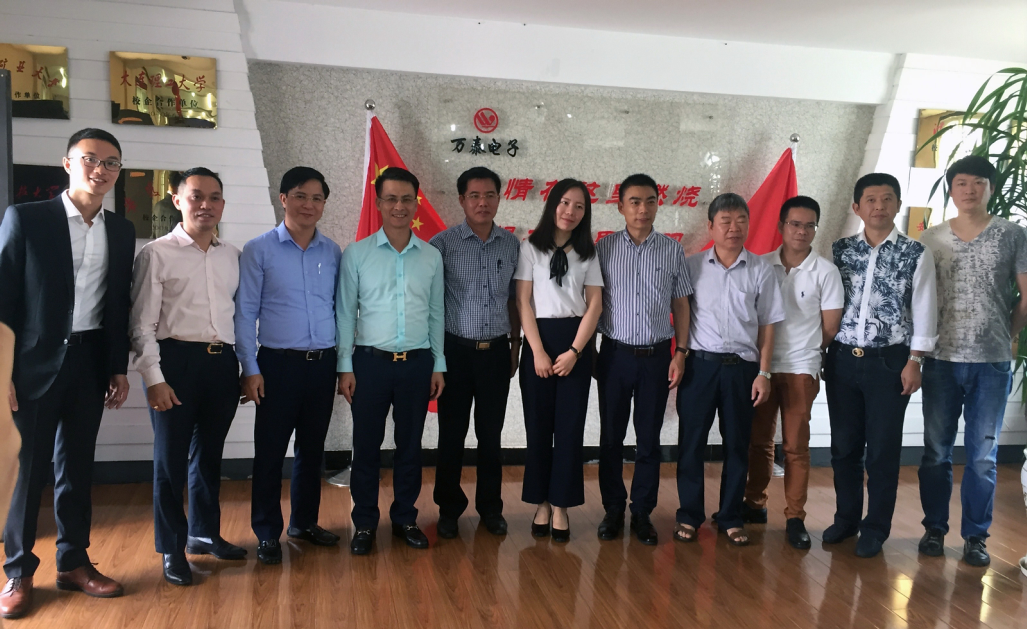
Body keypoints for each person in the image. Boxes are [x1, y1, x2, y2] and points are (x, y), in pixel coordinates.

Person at [0, 128, 134, 619]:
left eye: (111, 163)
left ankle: (74, 562)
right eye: (91, 159)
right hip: (30, 365)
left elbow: (117, 304)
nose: (101, 170)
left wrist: (117, 367)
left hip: (90, 362)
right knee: (25, 472)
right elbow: (4, 297)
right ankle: (18, 571)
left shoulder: (121, 230)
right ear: (68, 163)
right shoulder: (27, 218)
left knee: (77, 468)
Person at [130, 167, 246, 586]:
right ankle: (171, 548)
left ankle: (204, 532)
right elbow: (141, 325)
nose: (205, 205)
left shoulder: (232, 255)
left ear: (222, 205)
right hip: (174, 364)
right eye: (196, 196)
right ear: (177, 201)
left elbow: (240, 316)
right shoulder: (156, 254)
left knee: (209, 458)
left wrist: (244, 367)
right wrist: (154, 378)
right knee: (170, 463)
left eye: (214, 198)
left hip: (221, 365)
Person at [917, 156, 1027, 567]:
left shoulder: (1013, 235)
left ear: (990, 188)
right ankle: (934, 528)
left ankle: (976, 537)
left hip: (991, 363)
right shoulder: (930, 238)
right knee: (936, 451)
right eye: (961, 182)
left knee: (982, 456)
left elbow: (1026, 297)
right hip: (940, 360)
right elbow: (919, 300)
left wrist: (1006, 334)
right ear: (951, 189)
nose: (969, 190)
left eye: (978, 182)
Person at [825, 173, 937, 558]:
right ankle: (846, 519)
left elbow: (924, 309)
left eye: (887, 199)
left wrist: (915, 361)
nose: (879, 206)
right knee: (844, 447)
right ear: (857, 207)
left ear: (897, 205)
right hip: (842, 360)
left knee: (882, 450)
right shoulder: (841, 250)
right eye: (870, 200)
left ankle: (875, 527)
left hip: (890, 362)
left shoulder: (915, 253)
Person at [235, 167, 343, 565]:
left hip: (322, 364)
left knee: (312, 450)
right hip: (276, 365)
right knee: (270, 452)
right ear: (283, 199)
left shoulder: (332, 251)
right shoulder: (259, 249)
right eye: (300, 196)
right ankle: (267, 532)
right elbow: (244, 313)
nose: (308, 205)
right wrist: (249, 368)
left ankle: (304, 522)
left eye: (317, 198)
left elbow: (338, 308)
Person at [337, 166, 446, 555]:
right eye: (391, 199)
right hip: (370, 364)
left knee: (410, 446)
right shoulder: (357, 254)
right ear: (379, 203)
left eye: (406, 199)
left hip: (417, 364)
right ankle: (365, 522)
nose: (399, 206)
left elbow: (436, 313)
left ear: (416, 203)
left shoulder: (431, 256)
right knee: (366, 446)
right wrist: (345, 367)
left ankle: (405, 519)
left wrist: (439, 363)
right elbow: (345, 315)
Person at [674, 193, 783, 547]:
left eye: (741, 221)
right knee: (691, 443)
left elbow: (768, 325)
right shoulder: (692, 266)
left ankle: (731, 516)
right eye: (725, 221)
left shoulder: (761, 270)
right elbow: (681, 315)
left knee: (737, 445)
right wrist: (679, 355)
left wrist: (764, 373)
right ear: (710, 226)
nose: (734, 228)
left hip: (742, 370)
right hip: (700, 367)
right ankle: (689, 515)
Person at [595, 173, 691, 546]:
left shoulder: (671, 250)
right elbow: (591, 303)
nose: (643, 209)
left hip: (656, 357)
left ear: (657, 204)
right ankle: (612, 509)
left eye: (650, 201)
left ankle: (642, 512)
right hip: (615, 355)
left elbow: (680, 304)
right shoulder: (603, 249)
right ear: (620, 206)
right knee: (611, 438)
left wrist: (680, 352)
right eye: (634, 201)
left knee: (648, 439)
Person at [742, 196, 843, 549]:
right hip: (763, 367)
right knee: (759, 441)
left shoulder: (826, 272)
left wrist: (808, 349)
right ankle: (754, 503)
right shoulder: (760, 265)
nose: (802, 231)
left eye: (809, 225)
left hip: (801, 368)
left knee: (796, 446)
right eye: (795, 224)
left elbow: (830, 327)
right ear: (781, 226)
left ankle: (795, 517)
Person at [430, 167, 520, 539]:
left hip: (496, 353)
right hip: (455, 352)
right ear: (462, 200)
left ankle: (491, 509)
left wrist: (516, 344)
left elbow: (516, 300)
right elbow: (433, 305)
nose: (483, 203)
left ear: (499, 197)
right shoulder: (442, 245)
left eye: (489, 195)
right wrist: (436, 359)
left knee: (490, 435)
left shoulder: (512, 245)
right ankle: (449, 509)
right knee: (451, 435)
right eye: (474, 196)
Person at [515, 178, 603, 542]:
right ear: (553, 204)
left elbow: (594, 304)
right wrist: (537, 351)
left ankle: (562, 506)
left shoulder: (588, 253)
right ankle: (541, 503)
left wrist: (575, 352)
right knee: (538, 428)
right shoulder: (530, 248)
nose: (571, 211)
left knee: (569, 429)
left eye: (579, 206)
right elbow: (522, 301)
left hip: (575, 342)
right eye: (565, 203)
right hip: (539, 339)